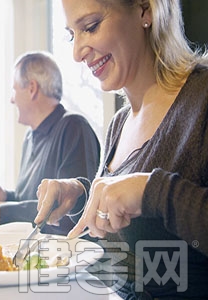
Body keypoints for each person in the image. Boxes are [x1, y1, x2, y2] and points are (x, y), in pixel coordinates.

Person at [35, 0, 208, 299]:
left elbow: (151, 195)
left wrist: (152, 191)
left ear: (145, 11)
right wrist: (81, 196)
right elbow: (127, 244)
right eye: (71, 35)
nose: (77, 53)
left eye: (90, 27)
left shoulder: (202, 99)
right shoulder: (119, 123)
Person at [0, 51, 101, 235]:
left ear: (32, 88)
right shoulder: (29, 137)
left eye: (14, 89)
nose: (12, 99)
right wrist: (4, 196)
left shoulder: (74, 127)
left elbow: (69, 212)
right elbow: (33, 200)